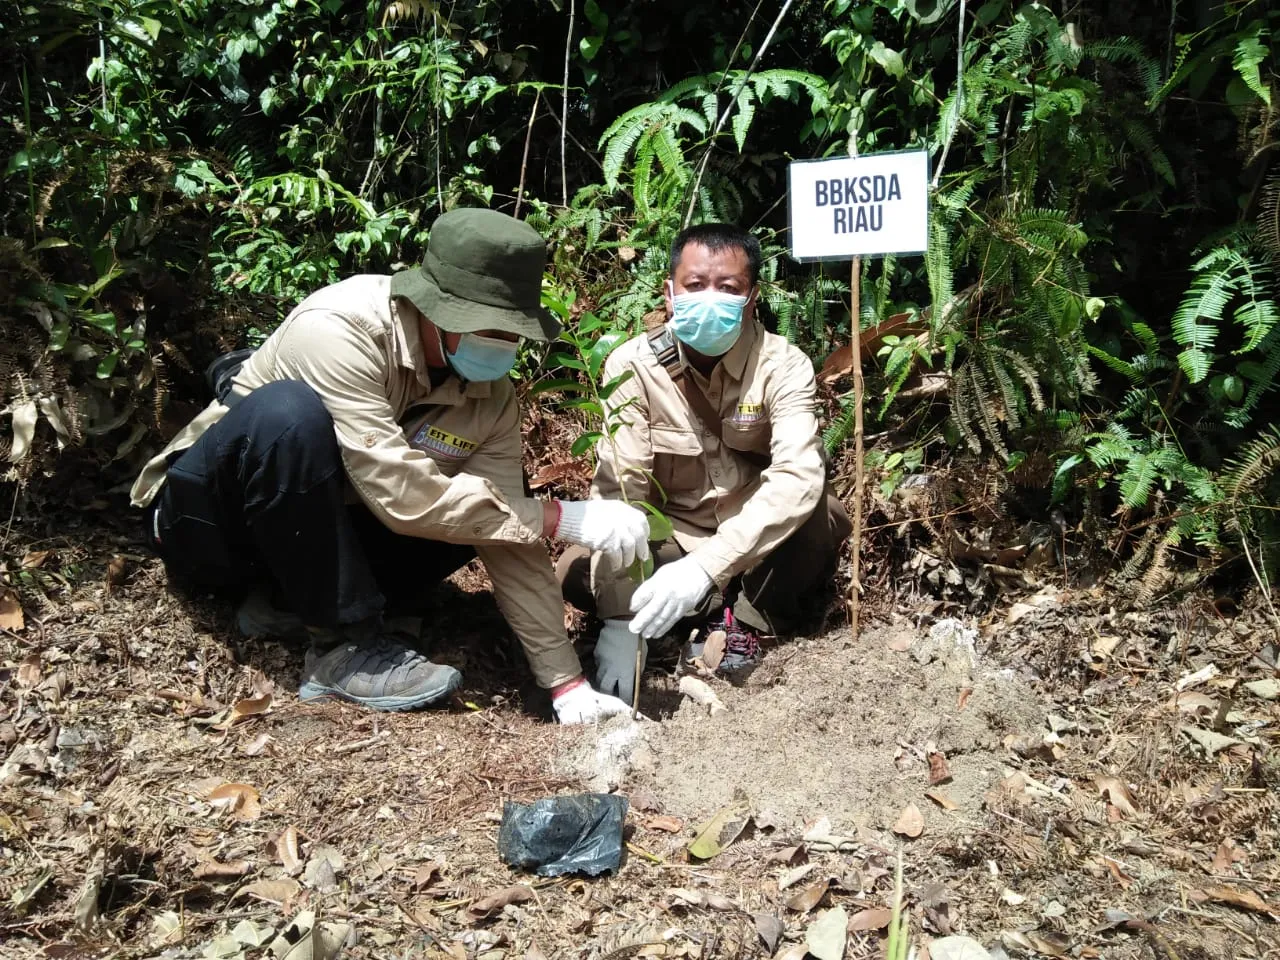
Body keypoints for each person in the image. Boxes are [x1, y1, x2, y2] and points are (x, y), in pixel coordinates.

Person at [130, 208, 650, 723]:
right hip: (209, 526)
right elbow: (400, 493)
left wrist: (565, 683)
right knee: (289, 413)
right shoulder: (338, 331)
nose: (504, 343)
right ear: (438, 308)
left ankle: (281, 608)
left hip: (306, 544)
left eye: (515, 332)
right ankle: (343, 648)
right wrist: (560, 517)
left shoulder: (491, 399)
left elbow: (506, 530)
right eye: (491, 326)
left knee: (486, 509)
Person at [556, 223, 851, 702]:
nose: (710, 298)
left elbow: (797, 477)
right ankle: (685, 610)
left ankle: (746, 620)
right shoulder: (632, 365)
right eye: (694, 285)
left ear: (752, 298)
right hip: (672, 535)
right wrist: (618, 620)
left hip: (758, 537)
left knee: (820, 512)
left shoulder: (783, 364)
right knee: (573, 570)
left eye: (729, 287)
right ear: (670, 293)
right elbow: (623, 488)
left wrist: (705, 568)